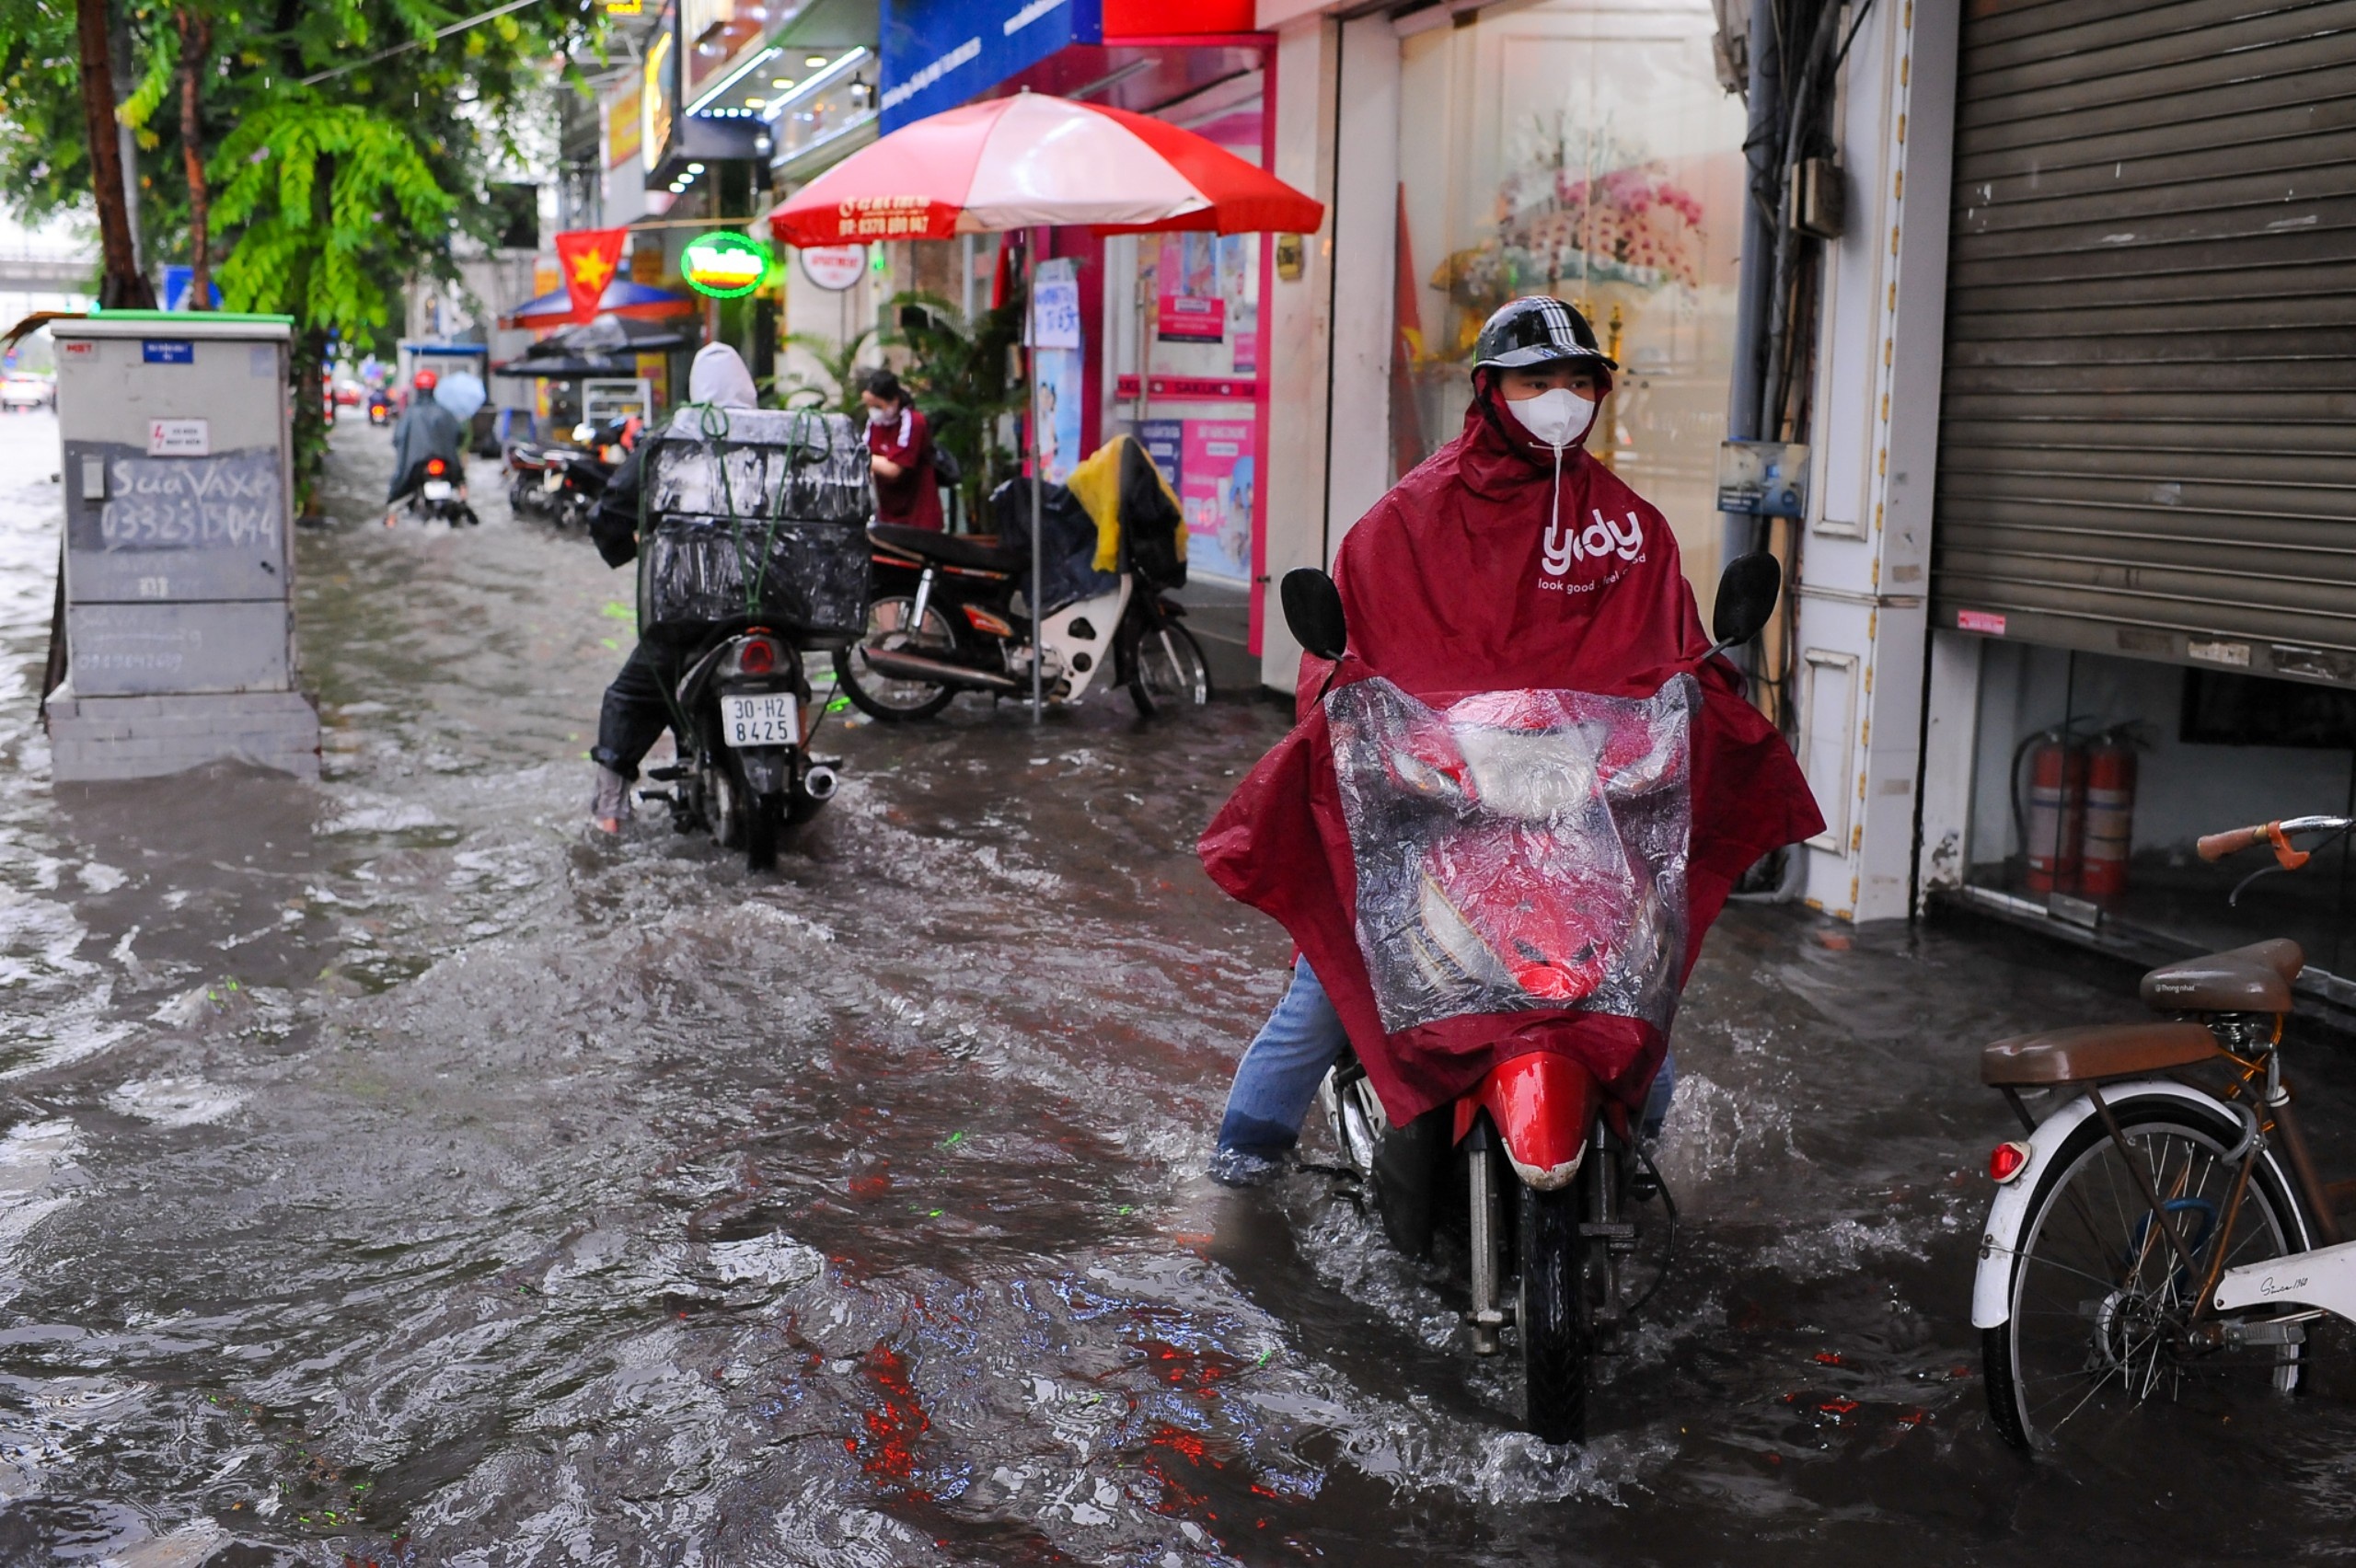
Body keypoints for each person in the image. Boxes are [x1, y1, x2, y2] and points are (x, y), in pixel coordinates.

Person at [1197, 296, 1823, 1185]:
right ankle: (1235, 1173)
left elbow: (1673, 657)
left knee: (1639, 1023)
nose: (1560, 398)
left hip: (1584, 827)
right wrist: (1360, 713)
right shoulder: (1403, 523)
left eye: (1578, 381)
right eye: (1539, 381)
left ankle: (1630, 1172)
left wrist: (1700, 690)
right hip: (1434, 818)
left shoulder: (1629, 528)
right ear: (1491, 391)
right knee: (1325, 1001)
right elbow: (1338, 667)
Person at [584, 342, 762, 834]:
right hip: (777, 609)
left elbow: (613, 507)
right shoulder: (779, 438)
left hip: (692, 613)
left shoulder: (673, 439)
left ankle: (609, 816)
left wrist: (627, 546)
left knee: (631, 695)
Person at [862, 368, 943, 532]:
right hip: (888, 513)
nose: (873, 411)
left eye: (877, 405)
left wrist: (862, 458)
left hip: (918, 516)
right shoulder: (874, 425)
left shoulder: (913, 422)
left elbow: (894, 469)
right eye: (869, 406)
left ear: (894, 400)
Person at [385, 368, 467, 524]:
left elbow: (399, 438)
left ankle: (391, 517)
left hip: (416, 466)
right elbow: (459, 436)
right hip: (446, 464)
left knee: (396, 497)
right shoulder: (445, 412)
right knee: (461, 487)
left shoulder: (410, 413)